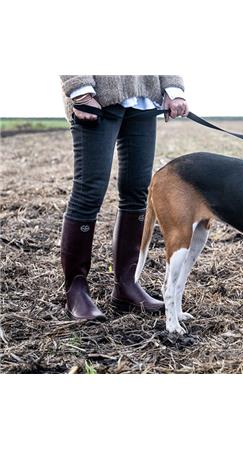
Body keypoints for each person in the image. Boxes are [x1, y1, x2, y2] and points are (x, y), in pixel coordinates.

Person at [59, 75, 188, 321]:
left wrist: (173, 89)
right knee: (90, 191)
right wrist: (80, 90)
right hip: (97, 96)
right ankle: (76, 290)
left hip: (143, 100)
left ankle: (126, 286)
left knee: (137, 190)